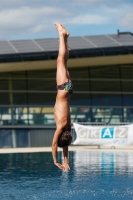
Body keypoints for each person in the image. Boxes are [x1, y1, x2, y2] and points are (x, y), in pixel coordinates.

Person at [52, 22, 73, 171]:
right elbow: (55, 144)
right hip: (63, 89)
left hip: (69, 89)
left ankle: (65, 38)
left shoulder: (68, 126)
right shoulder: (60, 126)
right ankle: (61, 34)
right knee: (60, 60)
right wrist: (55, 160)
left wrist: (66, 161)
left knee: (64, 62)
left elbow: (65, 146)